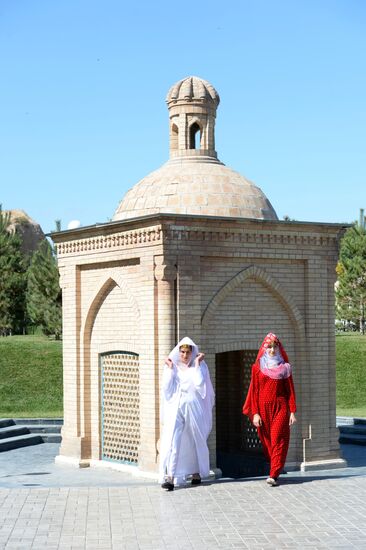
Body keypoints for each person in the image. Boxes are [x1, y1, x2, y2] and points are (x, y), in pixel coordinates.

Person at [159, 336, 215, 491]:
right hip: (176, 408)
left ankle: (196, 472)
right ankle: (170, 476)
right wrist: (170, 369)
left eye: (187, 352)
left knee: (195, 439)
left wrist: (197, 363)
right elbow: (166, 388)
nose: (184, 355)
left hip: (193, 408)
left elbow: (199, 384)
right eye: (182, 352)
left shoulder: (200, 366)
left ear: (192, 353)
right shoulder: (173, 367)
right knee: (174, 441)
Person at [242, 333, 297, 486]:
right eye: (269, 347)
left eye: (275, 346)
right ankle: (276, 467)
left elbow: (290, 391)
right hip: (262, 409)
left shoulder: (285, 368)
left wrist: (292, 411)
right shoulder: (257, 368)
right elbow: (254, 391)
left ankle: (273, 474)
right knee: (269, 442)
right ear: (264, 348)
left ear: (279, 348)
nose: (272, 350)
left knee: (278, 438)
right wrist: (255, 413)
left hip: (280, 407)